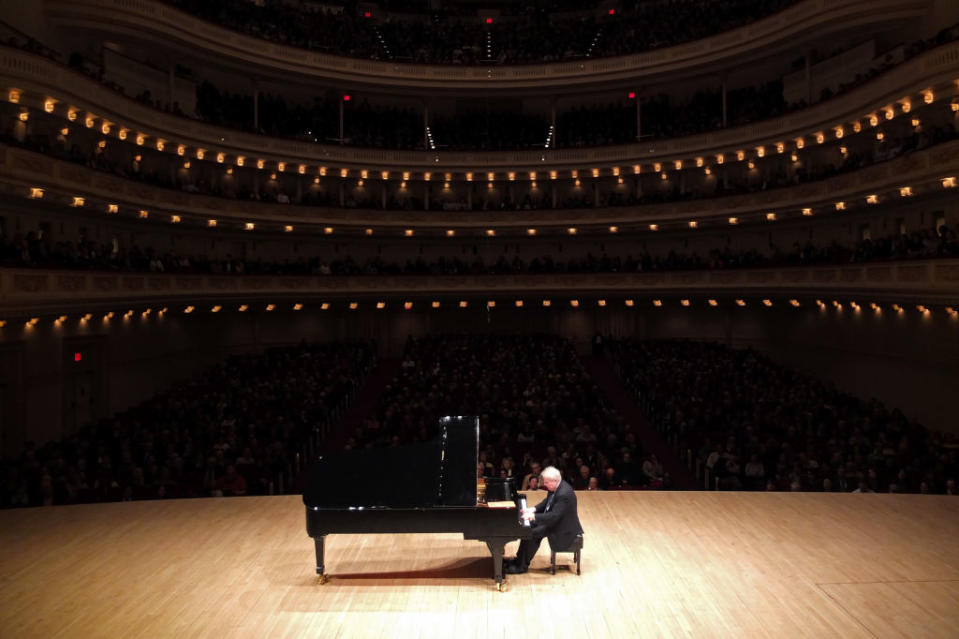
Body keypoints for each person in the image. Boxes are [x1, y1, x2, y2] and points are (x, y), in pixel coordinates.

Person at [506, 466, 583, 574]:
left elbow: (554, 516)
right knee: (527, 529)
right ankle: (518, 560)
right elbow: (547, 501)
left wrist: (534, 516)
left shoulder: (563, 494)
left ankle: (522, 566)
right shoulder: (556, 486)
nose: (544, 485)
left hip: (562, 528)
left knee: (532, 533)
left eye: (546, 482)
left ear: (555, 480)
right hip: (556, 521)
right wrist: (534, 509)